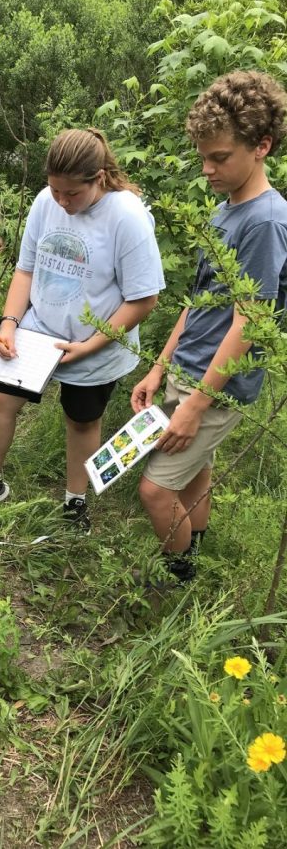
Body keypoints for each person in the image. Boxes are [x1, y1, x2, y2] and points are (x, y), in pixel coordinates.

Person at [131, 71, 287, 583]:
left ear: (261, 146)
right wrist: (159, 368)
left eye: (219, 157)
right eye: (203, 156)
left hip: (217, 387)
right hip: (187, 368)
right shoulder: (227, 210)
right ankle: (195, 552)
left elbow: (249, 320)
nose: (207, 169)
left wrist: (196, 406)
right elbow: (199, 302)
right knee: (193, 473)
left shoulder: (265, 221)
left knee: (155, 490)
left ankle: (180, 581)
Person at [0, 128, 164, 532]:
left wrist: (91, 345)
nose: (62, 202)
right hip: (39, 329)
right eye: (55, 191)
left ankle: (74, 501)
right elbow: (26, 268)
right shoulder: (46, 201)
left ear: (98, 177)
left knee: (81, 420)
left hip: (95, 342)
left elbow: (143, 299)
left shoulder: (127, 216)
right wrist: (9, 323)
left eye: (72, 194)